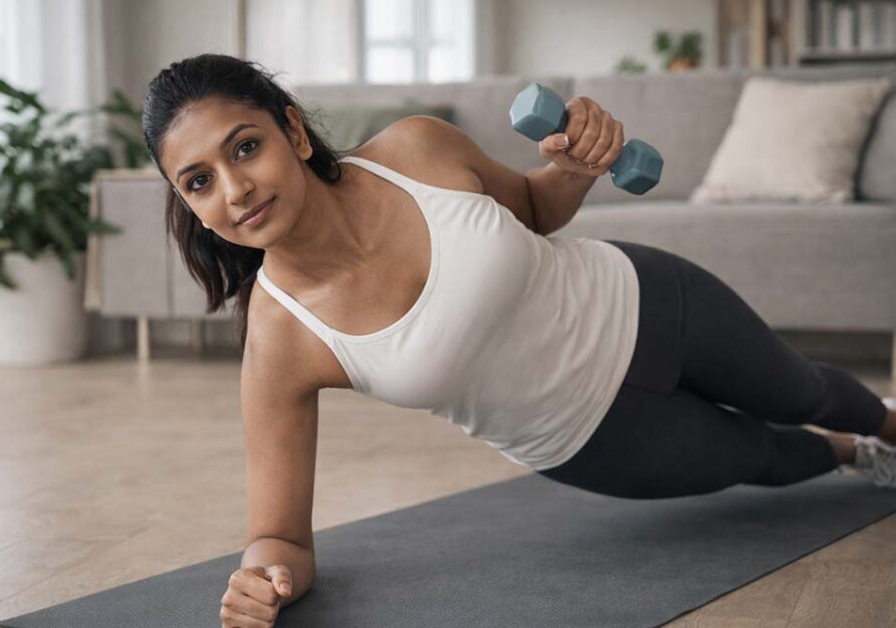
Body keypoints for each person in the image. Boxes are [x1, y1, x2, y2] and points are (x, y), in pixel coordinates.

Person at [142, 53, 896, 628]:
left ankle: (887, 423)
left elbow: (535, 207)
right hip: (590, 439)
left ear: (294, 132)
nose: (235, 189)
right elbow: (280, 536)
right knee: (760, 459)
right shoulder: (280, 340)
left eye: (245, 148)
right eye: (198, 181)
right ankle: (849, 452)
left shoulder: (415, 149)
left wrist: (571, 168)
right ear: (189, 206)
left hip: (648, 302)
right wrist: (261, 578)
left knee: (803, 388)